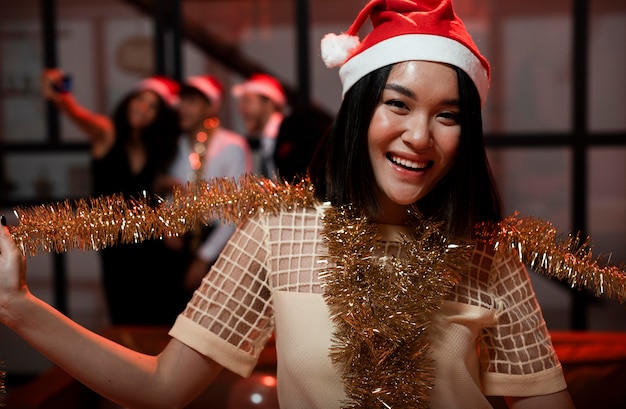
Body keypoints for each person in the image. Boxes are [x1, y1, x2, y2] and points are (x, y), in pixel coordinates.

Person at [0, 1, 578, 408]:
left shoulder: (488, 255)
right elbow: (160, 387)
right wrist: (18, 305)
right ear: (359, 114)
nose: (420, 136)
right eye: (397, 105)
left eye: (447, 115)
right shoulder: (280, 234)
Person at [40, 71, 183, 326]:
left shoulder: (150, 147)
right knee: (125, 310)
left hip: (149, 239)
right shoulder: (108, 133)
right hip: (114, 238)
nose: (143, 108)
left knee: (158, 310)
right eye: (140, 100)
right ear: (129, 100)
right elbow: (77, 114)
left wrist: (166, 187)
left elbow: (142, 191)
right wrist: (61, 96)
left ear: (158, 116)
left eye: (152, 107)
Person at [155, 74, 253, 294]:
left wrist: (204, 257)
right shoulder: (175, 144)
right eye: (182, 101)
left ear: (210, 107)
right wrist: (168, 226)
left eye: (192, 102)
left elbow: (235, 210)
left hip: (216, 242)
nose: (183, 108)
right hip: (179, 240)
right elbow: (169, 194)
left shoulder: (232, 146)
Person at [232, 73, 286, 178]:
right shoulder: (266, 141)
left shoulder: (289, 137)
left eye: (248, 101)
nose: (242, 109)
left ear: (269, 103)